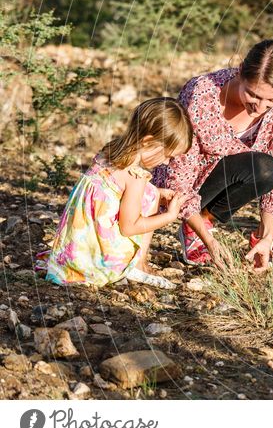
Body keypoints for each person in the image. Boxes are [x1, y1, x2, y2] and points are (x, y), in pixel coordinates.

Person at [153, 38, 273, 271]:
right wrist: (204, 234)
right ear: (240, 72)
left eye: (271, 100)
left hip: (258, 166)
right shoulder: (203, 95)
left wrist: (268, 233)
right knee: (264, 166)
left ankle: (269, 236)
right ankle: (200, 226)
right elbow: (179, 174)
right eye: (254, 95)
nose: (259, 107)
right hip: (197, 183)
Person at [37, 98, 192, 289]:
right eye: (167, 155)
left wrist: (155, 192)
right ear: (148, 141)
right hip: (98, 261)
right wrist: (169, 216)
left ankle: (132, 262)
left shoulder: (110, 152)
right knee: (149, 194)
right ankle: (136, 265)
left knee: (151, 192)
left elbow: (110, 194)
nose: (167, 163)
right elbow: (129, 227)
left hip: (74, 250)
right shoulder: (135, 176)